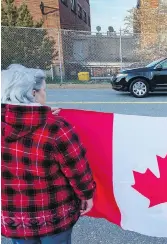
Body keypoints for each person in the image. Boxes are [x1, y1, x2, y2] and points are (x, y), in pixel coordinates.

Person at [1, 64, 96, 244]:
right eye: (44, 90)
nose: (46, 95)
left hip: (15, 220)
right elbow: (78, 170)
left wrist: (38, 114)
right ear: (33, 93)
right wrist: (87, 195)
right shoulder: (56, 128)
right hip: (54, 217)